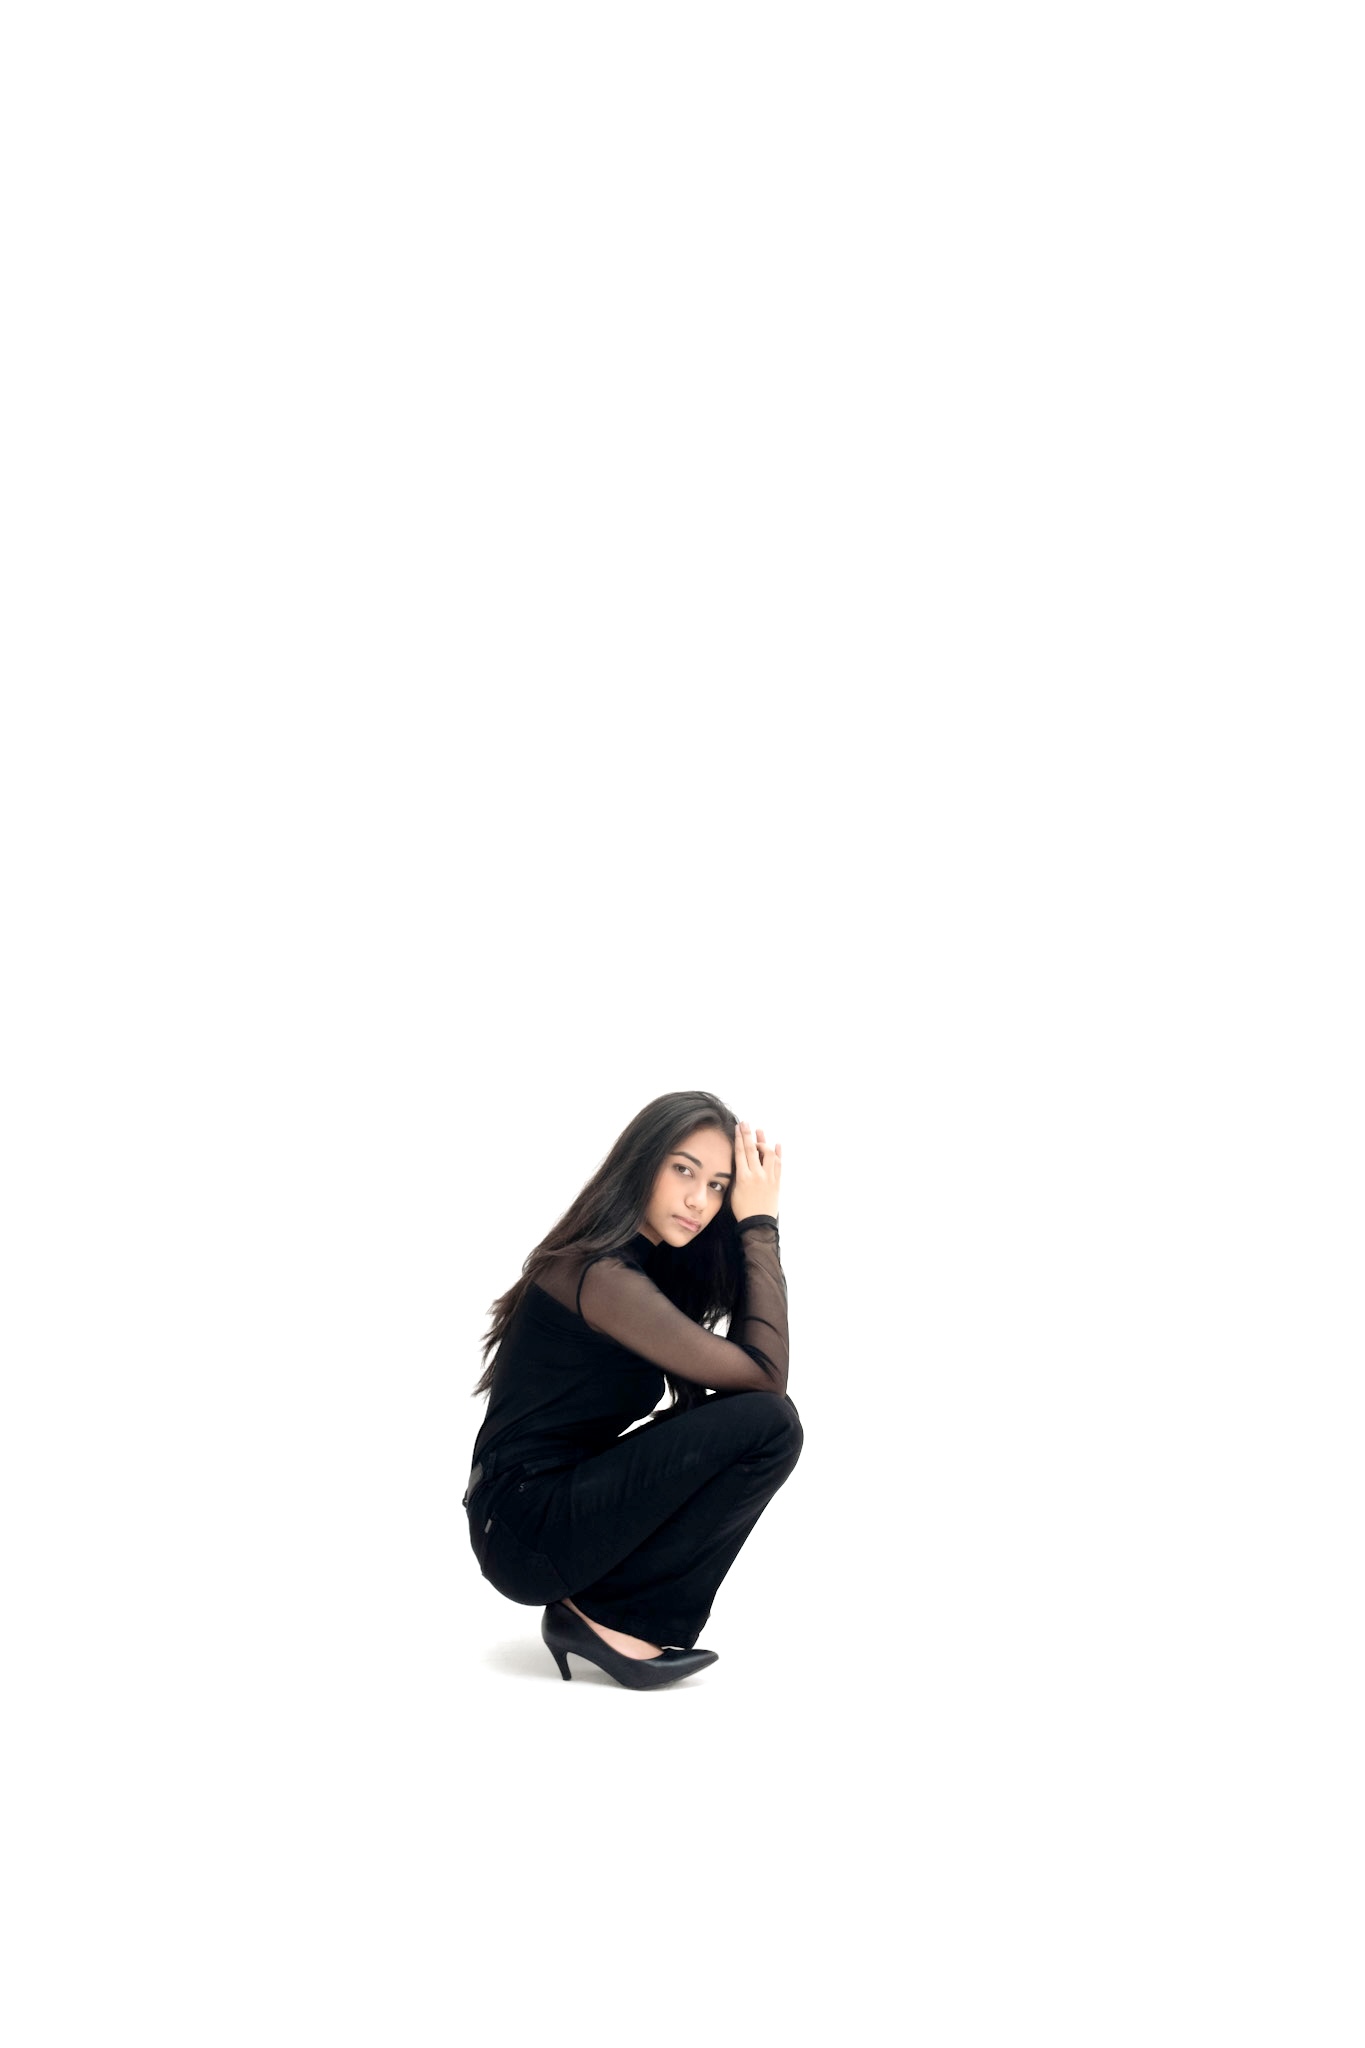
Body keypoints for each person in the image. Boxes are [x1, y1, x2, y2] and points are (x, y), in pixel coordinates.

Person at [465, 1090, 802, 1689]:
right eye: (684, 1171)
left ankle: (604, 1611)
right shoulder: (598, 1274)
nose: (700, 1200)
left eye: (720, 1186)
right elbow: (766, 1378)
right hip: (522, 1526)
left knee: (760, 1419)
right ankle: (614, 1619)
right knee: (769, 1424)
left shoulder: (646, 1269)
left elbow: (755, 1378)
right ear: (642, 1162)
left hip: (555, 1506)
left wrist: (746, 1231)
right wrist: (759, 1225)